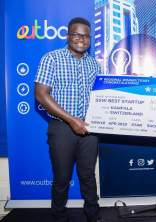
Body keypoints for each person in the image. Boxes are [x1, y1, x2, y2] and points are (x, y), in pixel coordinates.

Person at [35, 17, 101, 222]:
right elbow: (41, 94)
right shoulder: (52, 58)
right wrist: (72, 120)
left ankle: (93, 216)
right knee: (62, 178)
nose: (81, 39)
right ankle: (59, 217)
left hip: (89, 129)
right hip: (62, 128)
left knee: (88, 177)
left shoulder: (94, 63)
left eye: (86, 35)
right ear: (68, 36)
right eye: (76, 34)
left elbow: (100, 95)